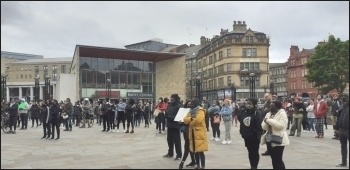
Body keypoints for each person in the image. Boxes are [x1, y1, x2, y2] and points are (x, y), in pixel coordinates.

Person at [261, 100, 289, 169]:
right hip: (269, 138)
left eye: (272, 105)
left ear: (277, 106)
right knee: (273, 159)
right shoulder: (268, 114)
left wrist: (268, 121)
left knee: (278, 159)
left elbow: (281, 126)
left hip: (278, 138)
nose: (270, 106)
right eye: (270, 105)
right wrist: (266, 122)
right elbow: (264, 126)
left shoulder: (282, 113)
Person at [237, 97, 263, 169]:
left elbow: (258, 124)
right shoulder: (244, 111)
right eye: (247, 103)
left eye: (250, 103)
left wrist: (253, 132)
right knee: (250, 151)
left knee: (254, 151)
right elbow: (240, 118)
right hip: (246, 136)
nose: (248, 105)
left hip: (254, 136)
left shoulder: (257, 113)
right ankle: (252, 165)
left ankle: (254, 166)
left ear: (254, 104)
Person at [183, 98, 208, 169]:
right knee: (195, 150)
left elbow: (198, 119)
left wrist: (190, 122)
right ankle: (198, 165)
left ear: (196, 103)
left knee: (201, 151)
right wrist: (191, 119)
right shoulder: (190, 111)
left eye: (193, 103)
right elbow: (185, 120)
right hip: (192, 133)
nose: (191, 105)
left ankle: (203, 166)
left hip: (199, 132)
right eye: (191, 103)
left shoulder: (200, 110)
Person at [163, 94, 183, 160]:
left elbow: (178, 117)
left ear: (175, 99)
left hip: (176, 126)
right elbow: (167, 113)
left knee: (177, 141)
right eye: (170, 98)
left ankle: (179, 155)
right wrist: (166, 115)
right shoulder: (169, 105)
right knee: (169, 140)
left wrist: (168, 116)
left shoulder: (179, 106)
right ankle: (170, 153)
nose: (171, 100)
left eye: (172, 99)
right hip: (170, 125)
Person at [179, 101, 196, 169]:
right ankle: (193, 161)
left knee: (187, 147)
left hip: (191, 132)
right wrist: (181, 122)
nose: (189, 105)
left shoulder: (194, 112)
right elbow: (183, 122)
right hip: (186, 131)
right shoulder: (185, 112)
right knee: (189, 147)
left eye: (191, 104)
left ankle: (182, 163)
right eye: (188, 104)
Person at [334, 94, 349, 167]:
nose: (345, 99)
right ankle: (344, 162)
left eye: (346, 98)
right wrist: (337, 128)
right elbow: (339, 116)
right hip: (342, 129)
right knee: (343, 146)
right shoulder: (343, 106)